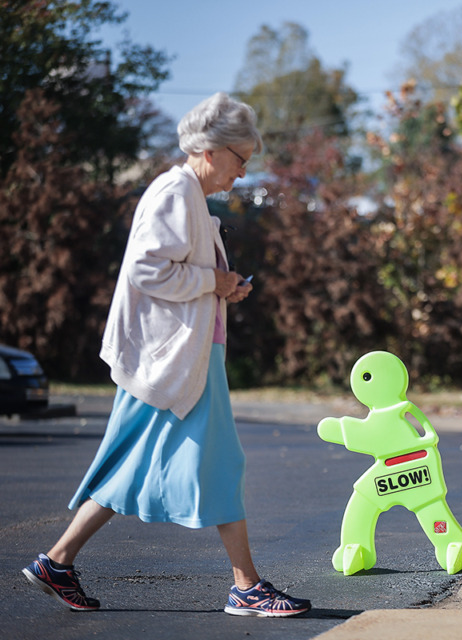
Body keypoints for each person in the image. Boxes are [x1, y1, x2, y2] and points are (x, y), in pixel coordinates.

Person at [21, 92, 311, 618]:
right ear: (211, 150)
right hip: (173, 361)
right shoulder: (176, 191)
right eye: (241, 159)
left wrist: (222, 288)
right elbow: (147, 271)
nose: (244, 173)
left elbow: (175, 276)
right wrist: (214, 281)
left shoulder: (187, 196)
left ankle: (57, 562)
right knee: (222, 465)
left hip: (181, 360)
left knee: (137, 465)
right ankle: (246, 587)